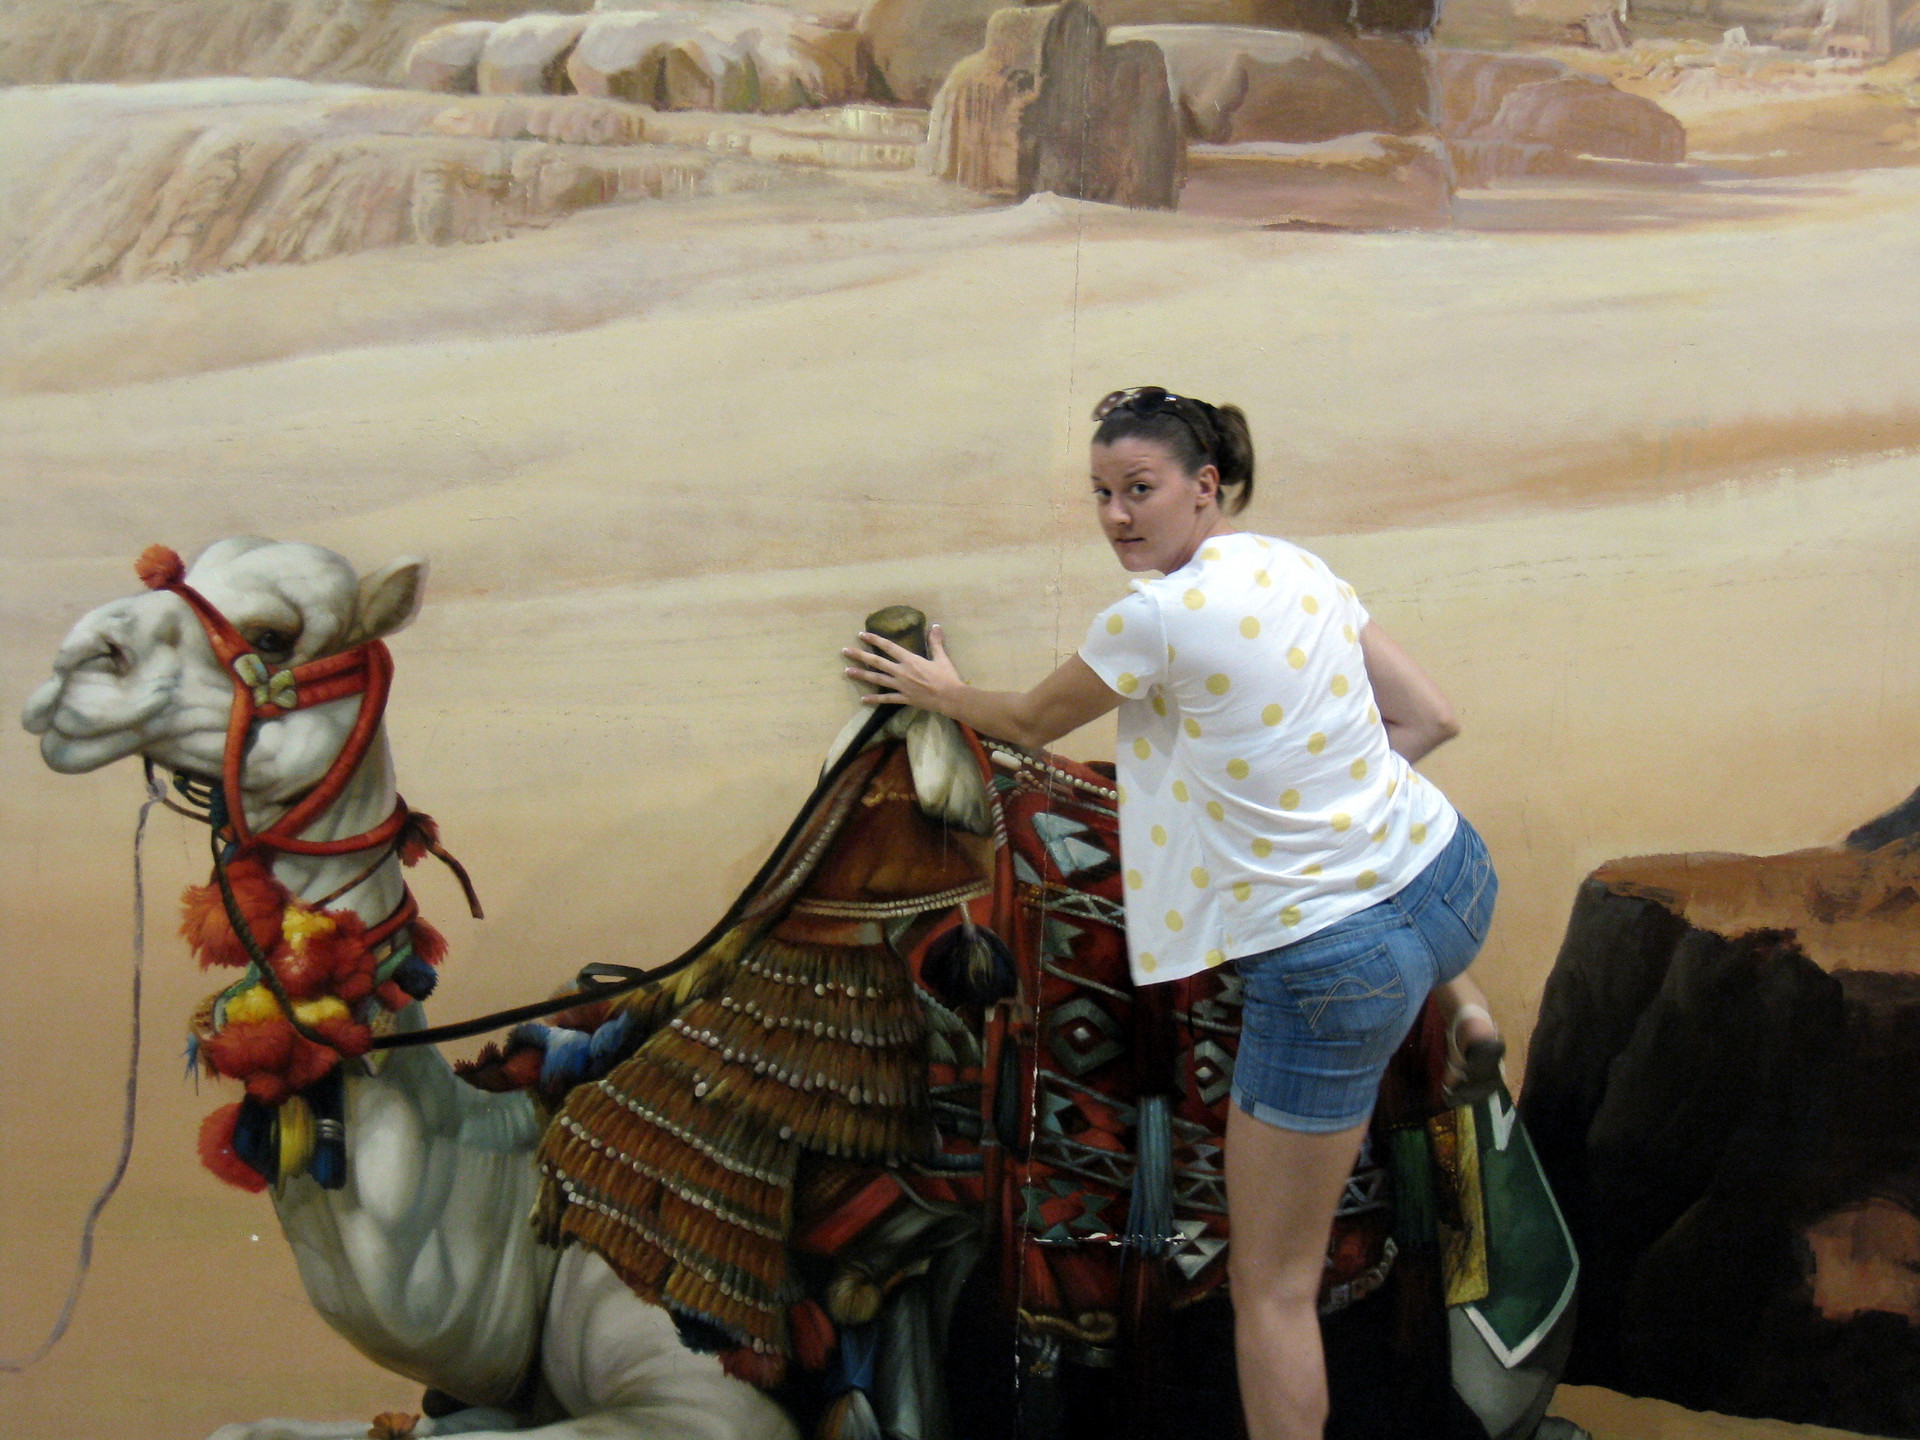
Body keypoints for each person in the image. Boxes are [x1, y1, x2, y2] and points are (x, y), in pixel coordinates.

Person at [842, 385, 1503, 1440]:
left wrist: (939, 691)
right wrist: (1328, 812)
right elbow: (1432, 717)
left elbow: (1028, 721)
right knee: (1382, 917)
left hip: (1337, 966)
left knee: (1271, 1292)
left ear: (1205, 485)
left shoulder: (1152, 619)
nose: (1115, 515)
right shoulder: (1292, 565)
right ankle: (1461, 1004)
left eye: (1139, 489)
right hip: (1454, 879)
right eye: (1101, 493)